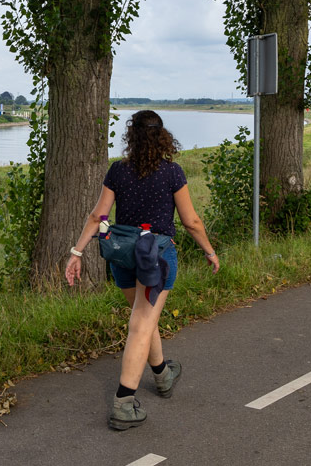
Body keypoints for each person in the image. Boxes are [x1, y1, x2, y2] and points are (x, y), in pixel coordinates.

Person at [64, 110, 219, 431]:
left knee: (144, 318)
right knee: (141, 324)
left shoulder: (118, 171)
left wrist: (77, 252)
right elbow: (191, 221)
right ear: (162, 136)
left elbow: (97, 217)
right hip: (156, 256)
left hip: (122, 255)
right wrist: (209, 250)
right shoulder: (172, 173)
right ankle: (124, 403)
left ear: (131, 136)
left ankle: (162, 374)